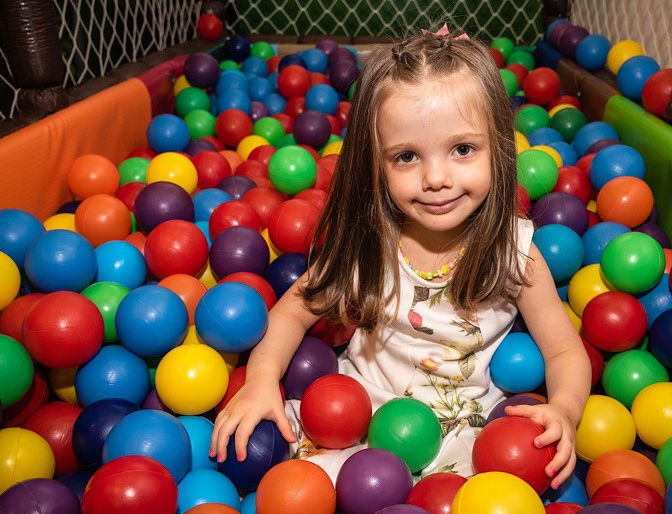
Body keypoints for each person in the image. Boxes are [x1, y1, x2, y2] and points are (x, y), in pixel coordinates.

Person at [210, 26, 590, 490]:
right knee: (292, 483)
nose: (436, 178)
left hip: (461, 436)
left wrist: (565, 410)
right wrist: (261, 381)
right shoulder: (369, 242)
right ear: (376, 162)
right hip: (354, 417)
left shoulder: (513, 252)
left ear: (500, 148)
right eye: (407, 156)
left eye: (463, 149)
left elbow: (565, 349)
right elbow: (293, 309)